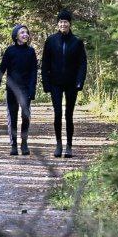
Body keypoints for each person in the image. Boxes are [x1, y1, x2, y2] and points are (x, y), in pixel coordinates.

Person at [40, 9, 87, 158]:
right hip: (55, 83)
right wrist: (45, 83)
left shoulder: (77, 42)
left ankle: (69, 146)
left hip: (72, 83)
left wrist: (80, 81)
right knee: (58, 113)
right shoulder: (51, 40)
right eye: (60, 22)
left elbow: (82, 63)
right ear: (57, 23)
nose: (63, 24)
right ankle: (58, 144)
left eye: (65, 22)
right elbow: (45, 63)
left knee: (69, 115)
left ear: (70, 23)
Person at [0, 24, 38, 156]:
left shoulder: (31, 51)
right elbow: (1, 70)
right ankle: (14, 145)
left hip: (25, 89)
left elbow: (34, 72)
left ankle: (24, 143)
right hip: (12, 89)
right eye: (22, 32)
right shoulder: (10, 51)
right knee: (12, 116)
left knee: (25, 116)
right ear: (16, 35)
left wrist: (32, 90)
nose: (25, 35)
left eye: (26, 33)